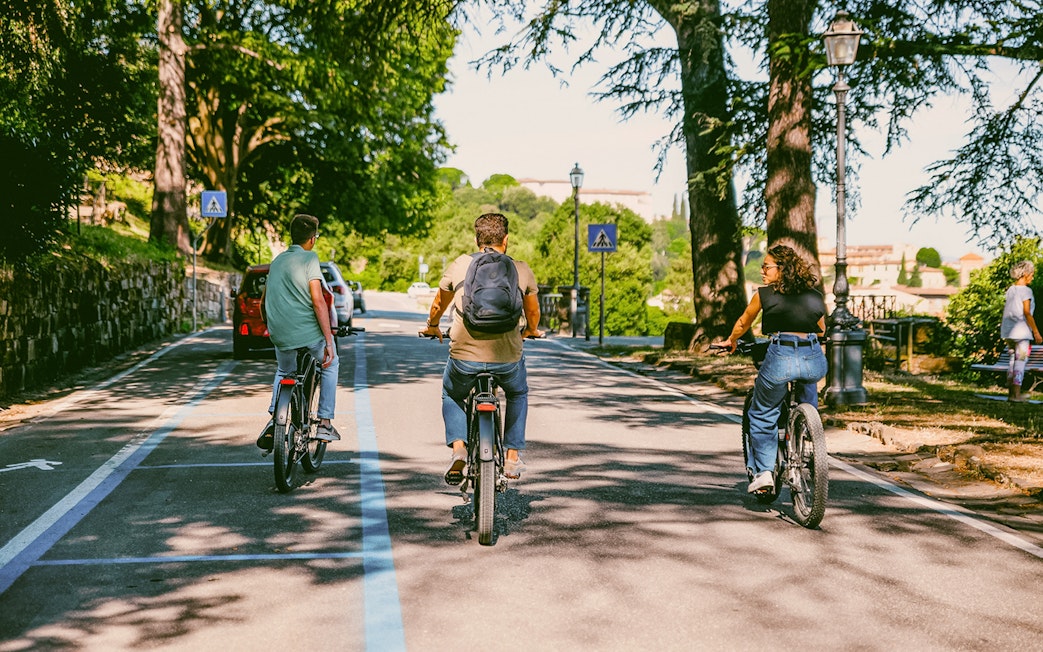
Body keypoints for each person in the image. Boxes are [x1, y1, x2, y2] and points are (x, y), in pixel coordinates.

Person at [419, 212, 543, 483]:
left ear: (476, 239)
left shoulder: (460, 265)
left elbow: (439, 304)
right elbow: (533, 313)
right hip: (507, 358)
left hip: (465, 358)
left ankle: (459, 450)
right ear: (506, 240)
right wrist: (531, 331)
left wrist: (432, 325)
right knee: (518, 392)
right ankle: (511, 458)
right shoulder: (520, 269)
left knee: (451, 394)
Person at [714, 244, 828, 493]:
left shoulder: (764, 295)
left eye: (767, 266)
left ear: (782, 269)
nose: (762, 271)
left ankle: (765, 472)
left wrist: (731, 341)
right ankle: (808, 431)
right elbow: (821, 329)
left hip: (781, 356)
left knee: (762, 414)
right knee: (807, 381)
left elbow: (745, 321)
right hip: (813, 358)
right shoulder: (814, 295)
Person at [256, 213, 340, 450]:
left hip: (279, 334)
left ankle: (275, 421)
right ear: (312, 239)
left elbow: (263, 303)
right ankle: (324, 421)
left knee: (284, 370)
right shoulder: (310, 259)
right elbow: (318, 301)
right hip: (307, 334)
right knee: (330, 363)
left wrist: (271, 326)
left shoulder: (277, 261)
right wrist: (329, 340)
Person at [1001, 260, 1042, 402]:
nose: (1032, 277)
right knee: (1021, 362)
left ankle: (1011, 394)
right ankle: (1016, 396)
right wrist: (1036, 332)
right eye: (1031, 274)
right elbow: (1027, 313)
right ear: (1025, 274)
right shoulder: (1026, 291)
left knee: (1012, 362)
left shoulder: (1011, 290)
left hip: (1008, 332)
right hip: (1021, 333)